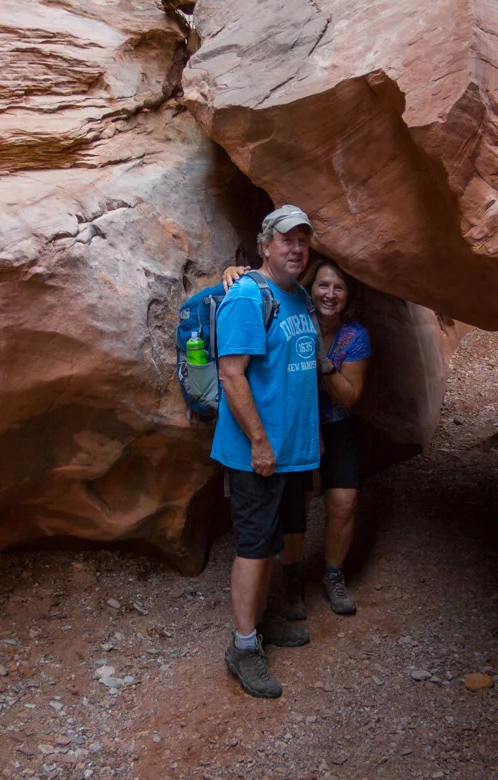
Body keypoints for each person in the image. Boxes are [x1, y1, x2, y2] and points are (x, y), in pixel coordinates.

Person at [211, 204, 322, 699]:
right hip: (258, 453)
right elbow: (230, 374)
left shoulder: (297, 295)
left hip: (292, 450)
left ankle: (265, 619)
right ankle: (243, 647)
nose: (295, 248)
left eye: (302, 240)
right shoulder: (248, 298)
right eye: (286, 240)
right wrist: (259, 442)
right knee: (254, 547)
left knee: (279, 538)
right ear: (265, 245)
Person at [223, 257, 370, 618]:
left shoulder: (354, 336)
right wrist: (231, 272)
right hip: (293, 423)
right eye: (323, 285)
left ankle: (332, 575)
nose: (330, 294)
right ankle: (291, 579)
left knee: (343, 500)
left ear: (349, 295)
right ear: (310, 287)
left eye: (339, 288)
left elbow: (350, 396)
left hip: (334, 423)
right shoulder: (293, 308)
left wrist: (322, 362)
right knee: (297, 505)